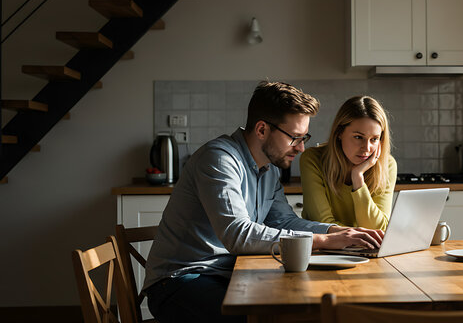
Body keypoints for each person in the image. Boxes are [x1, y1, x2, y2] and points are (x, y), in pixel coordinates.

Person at [143, 82, 384, 323]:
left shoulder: (269, 169)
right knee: (275, 316)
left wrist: (339, 231)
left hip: (227, 274)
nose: (301, 148)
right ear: (261, 130)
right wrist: (324, 240)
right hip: (180, 281)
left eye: (304, 138)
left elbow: (284, 220)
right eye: (295, 138)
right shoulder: (219, 159)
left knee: (300, 306)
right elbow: (237, 234)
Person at [300, 96, 397, 230]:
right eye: (358, 137)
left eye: (374, 139)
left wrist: (357, 177)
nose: (367, 148)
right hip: (323, 248)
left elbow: (379, 228)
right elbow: (324, 224)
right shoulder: (312, 159)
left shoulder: (387, 165)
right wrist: (361, 236)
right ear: (339, 133)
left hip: (366, 248)